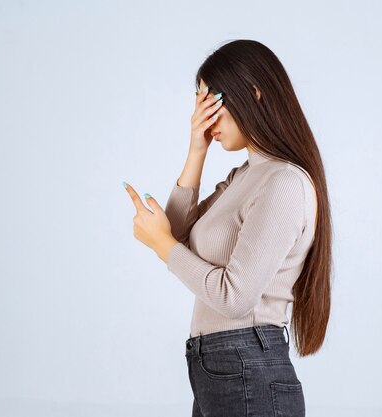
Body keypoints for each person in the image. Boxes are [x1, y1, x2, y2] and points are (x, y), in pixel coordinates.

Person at [123, 39, 333, 417]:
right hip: (221, 372)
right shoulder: (245, 177)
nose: (206, 118)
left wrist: (163, 246)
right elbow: (178, 233)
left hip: (248, 369)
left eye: (212, 104)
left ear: (252, 93)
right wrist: (196, 149)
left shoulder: (283, 182)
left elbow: (234, 297)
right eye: (200, 106)